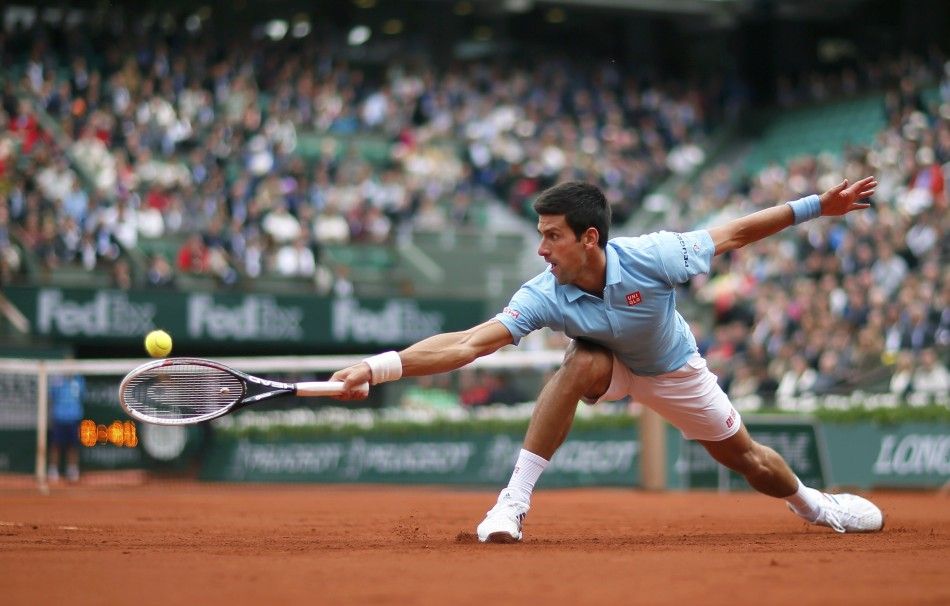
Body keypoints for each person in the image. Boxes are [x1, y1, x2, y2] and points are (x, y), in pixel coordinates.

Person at [331, 178, 884, 542]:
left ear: (589, 238)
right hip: (607, 367)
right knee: (578, 363)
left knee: (750, 462)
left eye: (552, 236)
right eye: (540, 235)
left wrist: (819, 206)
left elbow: (737, 231)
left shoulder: (655, 255)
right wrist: (378, 368)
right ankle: (511, 505)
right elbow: (470, 343)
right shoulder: (543, 290)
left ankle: (816, 506)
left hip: (673, 370)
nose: (542, 249)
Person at [47, 369, 86, 483]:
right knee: (56, 445)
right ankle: (53, 470)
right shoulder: (57, 380)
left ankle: (72, 470)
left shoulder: (79, 380)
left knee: (73, 446)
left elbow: (82, 396)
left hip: (74, 418)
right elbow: (51, 397)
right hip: (59, 418)